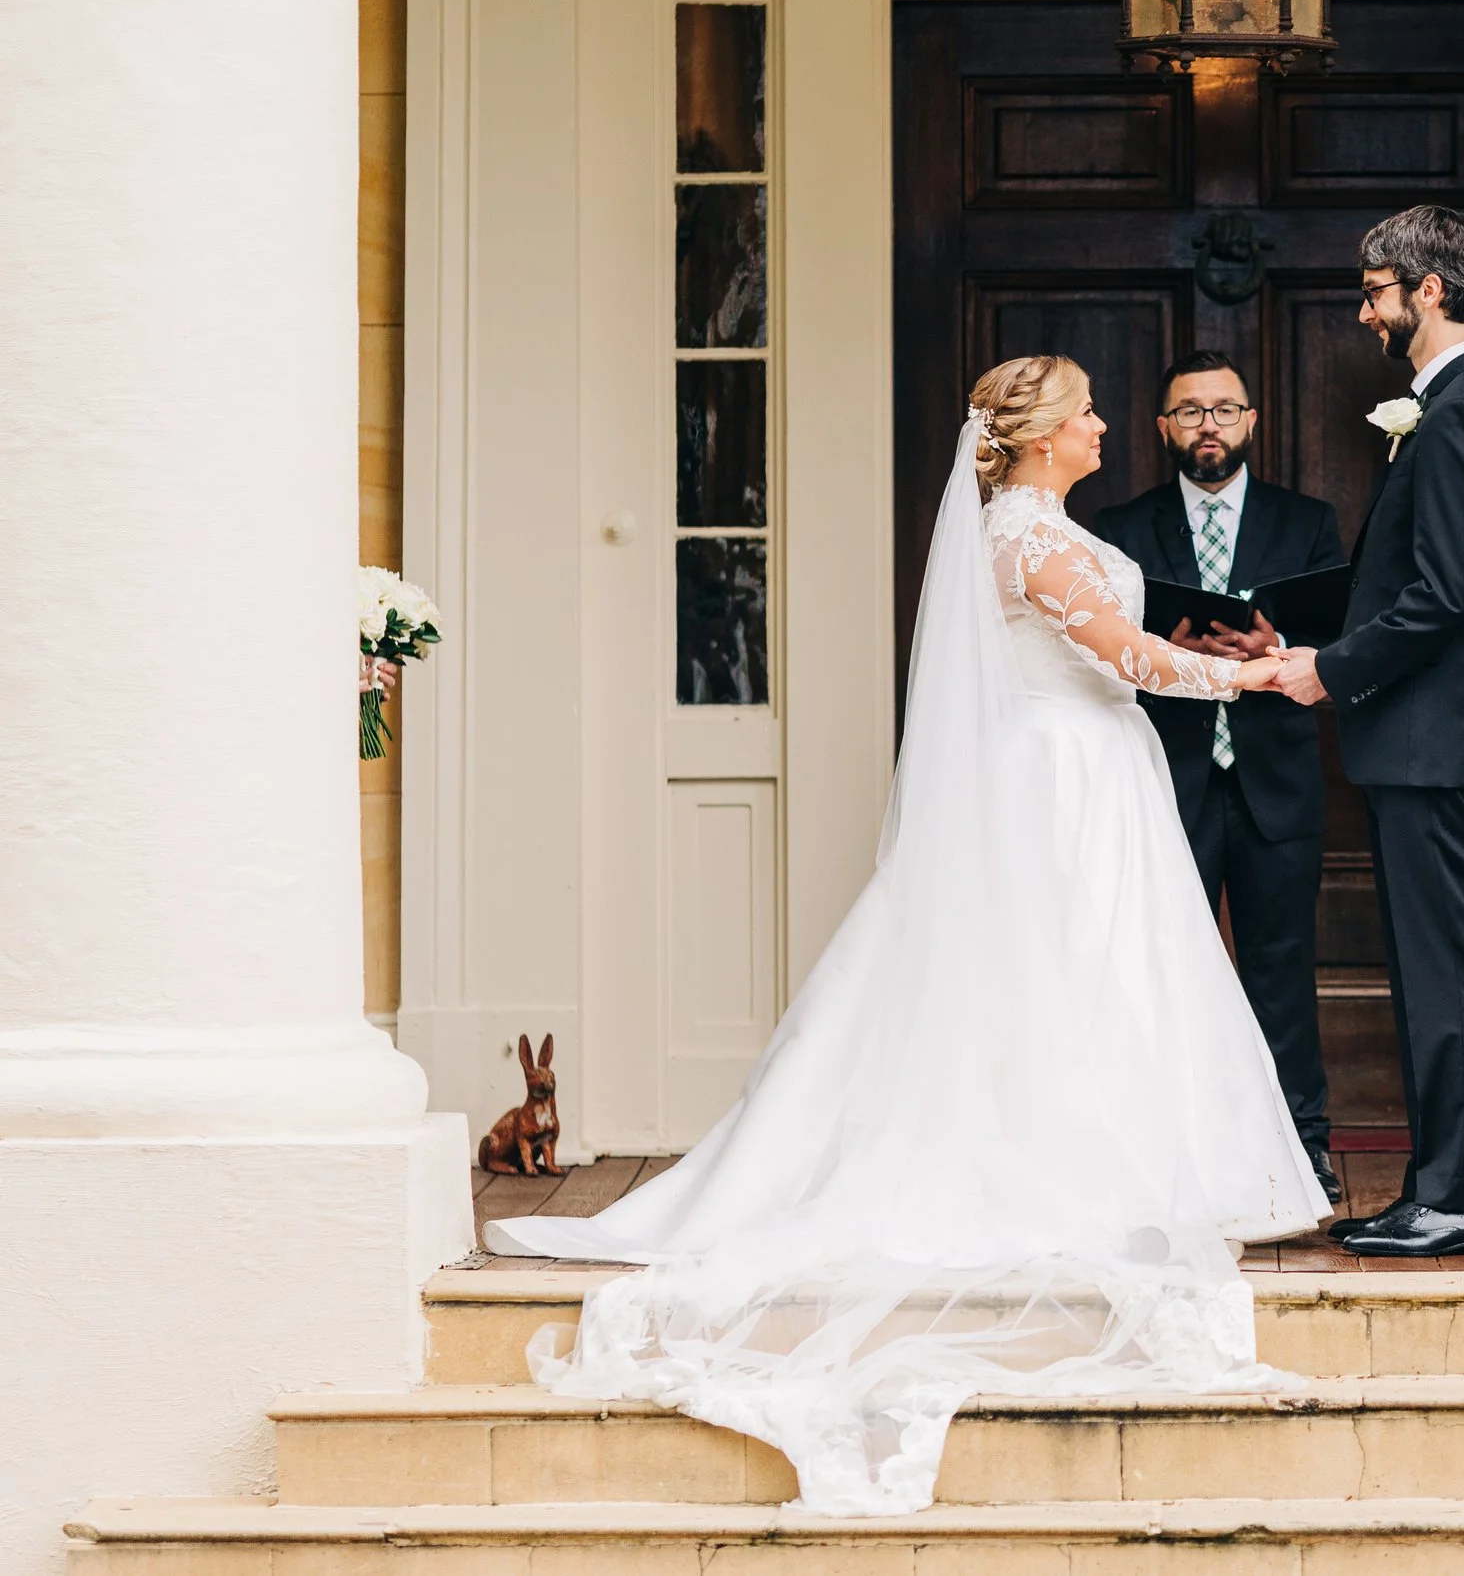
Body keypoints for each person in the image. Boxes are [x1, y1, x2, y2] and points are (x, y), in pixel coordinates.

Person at [487, 355, 1328, 1514]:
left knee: (1096, 980)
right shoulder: (1023, 541)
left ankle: (1103, 1158)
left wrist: (1217, 654)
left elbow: (1125, 649)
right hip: (1055, 776)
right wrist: (1272, 677)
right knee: (1053, 975)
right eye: (1084, 411)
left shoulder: (1045, 527)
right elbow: (1124, 658)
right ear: (1038, 439)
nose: (1100, 424)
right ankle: (1048, 1170)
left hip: (1095, 766)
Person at [1275, 205, 1464, 1259]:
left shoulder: (1459, 411)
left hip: (1430, 743)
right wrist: (1294, 625)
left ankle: (1458, 1199)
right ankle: (1439, 1188)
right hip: (1416, 741)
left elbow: (1443, 597)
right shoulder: (1446, 404)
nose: (1364, 306)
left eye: (1376, 287)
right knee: (1431, 975)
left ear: (1429, 290)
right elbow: (1406, 581)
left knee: (1445, 975)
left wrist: (1327, 671)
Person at [1094, 351, 1348, 1205]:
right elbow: (1097, 653)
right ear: (1164, 427)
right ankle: (1168, 1155)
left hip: (1275, 772)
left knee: (1283, 966)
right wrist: (1177, 654)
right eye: (1191, 410)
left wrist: (1269, 648)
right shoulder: (1119, 526)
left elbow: (1332, 636)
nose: (1209, 423)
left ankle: (1303, 1148)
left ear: (1251, 422)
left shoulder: (1307, 520)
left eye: (1225, 408)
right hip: (1167, 777)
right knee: (1164, 968)